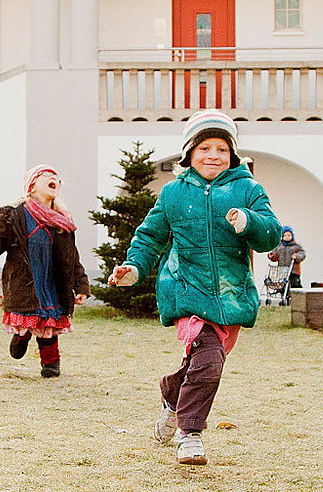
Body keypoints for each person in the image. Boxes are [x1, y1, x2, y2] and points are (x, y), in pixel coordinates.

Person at [109, 110, 281, 466]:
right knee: (209, 361)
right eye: (205, 148)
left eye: (221, 148)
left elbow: (271, 234)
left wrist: (249, 222)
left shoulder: (248, 188)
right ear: (189, 153)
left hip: (231, 295)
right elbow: (149, 237)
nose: (213, 155)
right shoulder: (173, 193)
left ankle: (172, 396)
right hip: (185, 289)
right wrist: (134, 267)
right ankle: (190, 434)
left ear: (233, 154)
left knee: (200, 362)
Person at [0, 165, 89, 378]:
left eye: (56, 178)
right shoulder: (14, 213)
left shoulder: (62, 220)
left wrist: (81, 285)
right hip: (25, 280)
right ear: (32, 186)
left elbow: (71, 257)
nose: (54, 179)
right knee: (27, 316)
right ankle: (21, 337)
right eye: (46, 176)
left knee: (49, 325)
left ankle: (50, 364)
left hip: (52, 282)